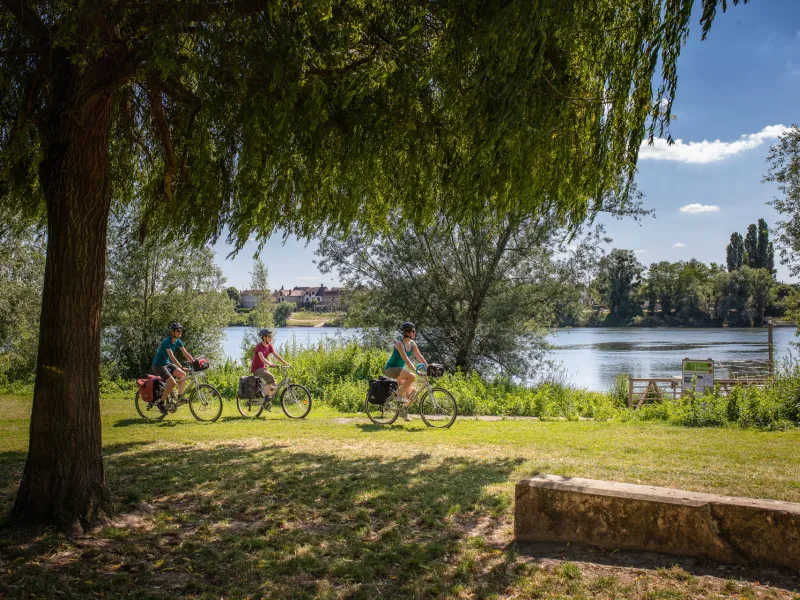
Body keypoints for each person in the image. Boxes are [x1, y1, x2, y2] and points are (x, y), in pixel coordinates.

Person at [384, 321, 428, 421]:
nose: (415, 333)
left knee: (412, 393)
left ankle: (403, 412)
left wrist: (428, 366)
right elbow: (407, 360)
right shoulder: (399, 344)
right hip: (391, 368)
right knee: (412, 376)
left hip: (400, 370)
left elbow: (419, 356)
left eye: (415, 331)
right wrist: (417, 371)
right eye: (413, 331)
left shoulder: (412, 344)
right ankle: (399, 395)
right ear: (407, 333)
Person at [151, 322, 194, 414]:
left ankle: (180, 397)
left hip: (166, 364)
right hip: (158, 365)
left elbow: (185, 353)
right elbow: (172, 357)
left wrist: (194, 362)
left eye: (181, 330)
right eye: (178, 331)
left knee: (183, 375)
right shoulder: (167, 341)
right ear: (172, 332)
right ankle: (161, 403)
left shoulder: (178, 341)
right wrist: (181, 367)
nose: (180, 332)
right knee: (172, 383)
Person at [251, 329, 290, 399]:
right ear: (264, 337)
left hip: (263, 368)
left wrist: (286, 363)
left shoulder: (269, 346)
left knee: (274, 386)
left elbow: (276, 355)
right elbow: (262, 358)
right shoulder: (259, 346)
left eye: (271, 336)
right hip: (256, 368)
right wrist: (270, 364)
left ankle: (266, 399)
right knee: (270, 377)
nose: (271, 338)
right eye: (269, 336)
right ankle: (266, 397)